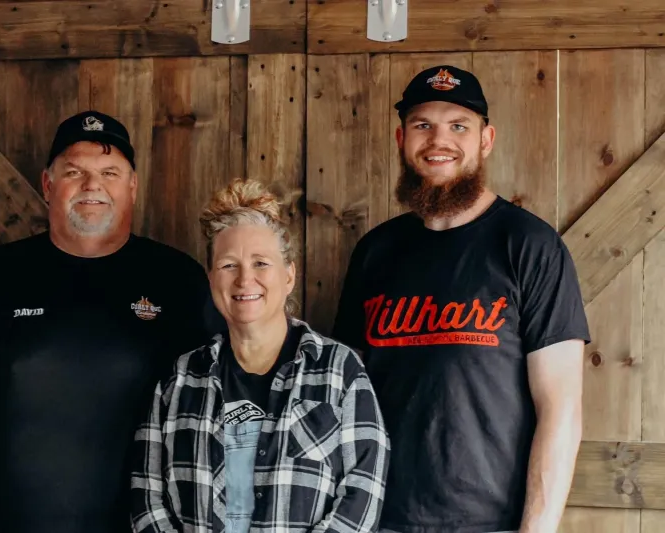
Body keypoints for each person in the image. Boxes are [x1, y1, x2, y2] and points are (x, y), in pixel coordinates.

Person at [0, 111, 220, 533]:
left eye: (110, 172)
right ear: (48, 185)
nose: (93, 186)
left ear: (132, 186)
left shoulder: (177, 279)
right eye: (75, 171)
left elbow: (221, 404)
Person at [332, 66, 591, 533]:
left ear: (485, 139)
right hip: (375, 517)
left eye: (458, 126)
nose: (438, 141)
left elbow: (562, 408)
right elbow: (345, 395)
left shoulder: (529, 245)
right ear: (401, 138)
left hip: (489, 522)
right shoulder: (375, 251)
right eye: (422, 125)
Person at [131, 178, 390, 533]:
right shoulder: (181, 377)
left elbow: (363, 490)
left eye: (261, 263)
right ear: (211, 278)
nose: (244, 280)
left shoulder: (339, 369)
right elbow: (147, 495)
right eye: (228, 265)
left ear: (289, 275)